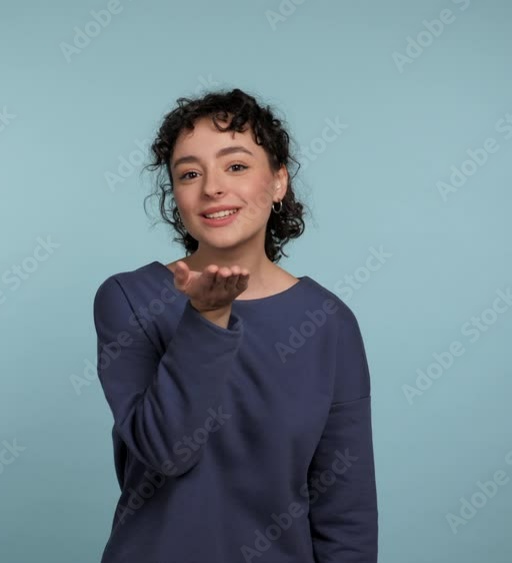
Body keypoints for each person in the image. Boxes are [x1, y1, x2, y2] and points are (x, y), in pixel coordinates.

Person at [92, 88, 377, 562]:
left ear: (279, 182)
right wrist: (207, 318)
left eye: (237, 166)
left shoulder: (329, 323)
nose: (212, 187)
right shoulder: (129, 299)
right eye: (189, 173)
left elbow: (345, 512)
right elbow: (167, 451)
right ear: (176, 196)